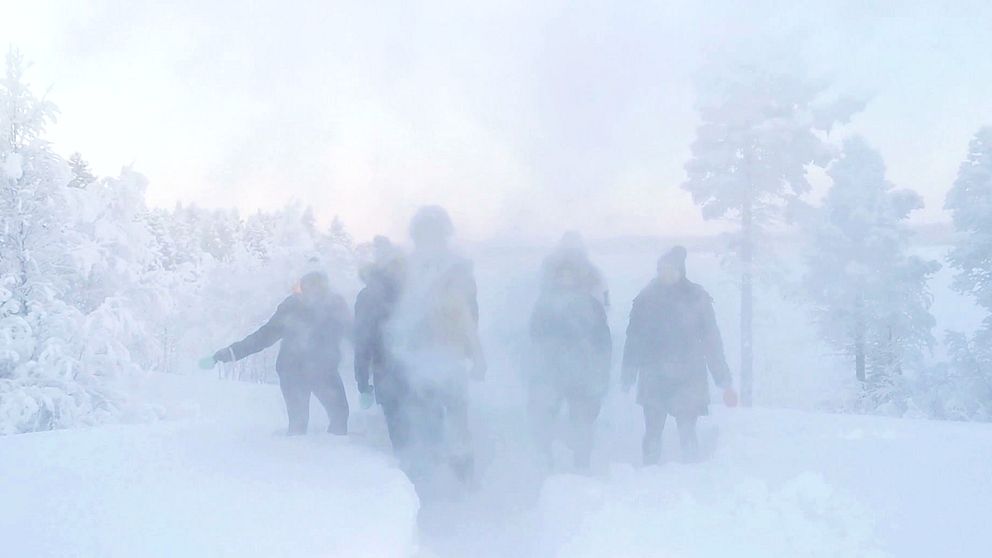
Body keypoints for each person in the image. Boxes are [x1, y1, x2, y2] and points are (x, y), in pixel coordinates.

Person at [387, 205, 486, 487]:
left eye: (435, 233)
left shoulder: (457, 270)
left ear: (444, 235)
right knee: (424, 418)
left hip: (448, 353)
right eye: (425, 233)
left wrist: (475, 353)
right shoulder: (407, 268)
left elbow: (467, 313)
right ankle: (425, 481)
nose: (430, 239)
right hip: (416, 356)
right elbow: (392, 310)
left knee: (456, 420)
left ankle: (463, 477)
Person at [621, 246, 738, 464]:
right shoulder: (645, 299)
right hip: (653, 373)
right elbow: (634, 340)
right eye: (662, 269)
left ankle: (690, 472)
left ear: (680, 270)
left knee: (687, 429)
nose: (666, 273)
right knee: (653, 429)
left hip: (688, 375)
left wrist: (722, 378)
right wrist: (628, 373)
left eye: (671, 269)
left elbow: (711, 341)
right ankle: (649, 470)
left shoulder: (696, 298)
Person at [204, 271, 352, 436]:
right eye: (307, 289)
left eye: (316, 288)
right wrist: (227, 354)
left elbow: (354, 333)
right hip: (293, 371)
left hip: (324, 370)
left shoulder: (335, 305)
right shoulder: (292, 306)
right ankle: (294, 456)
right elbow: (264, 336)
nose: (311, 293)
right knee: (299, 422)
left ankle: (336, 454)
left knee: (340, 414)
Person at [528, 234, 611, 471]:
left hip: (582, 371)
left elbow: (602, 339)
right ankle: (546, 461)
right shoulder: (545, 303)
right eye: (562, 275)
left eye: (570, 274)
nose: (566, 278)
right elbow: (534, 336)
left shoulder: (591, 301)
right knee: (545, 416)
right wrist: (537, 368)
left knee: (582, 419)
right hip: (552, 371)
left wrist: (601, 371)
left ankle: (581, 464)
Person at [354, 236, 408, 453]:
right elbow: (362, 340)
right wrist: (362, 383)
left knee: (425, 426)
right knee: (400, 428)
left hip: (422, 372)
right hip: (388, 372)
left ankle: (429, 478)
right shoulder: (370, 296)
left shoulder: (417, 292)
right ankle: (408, 476)